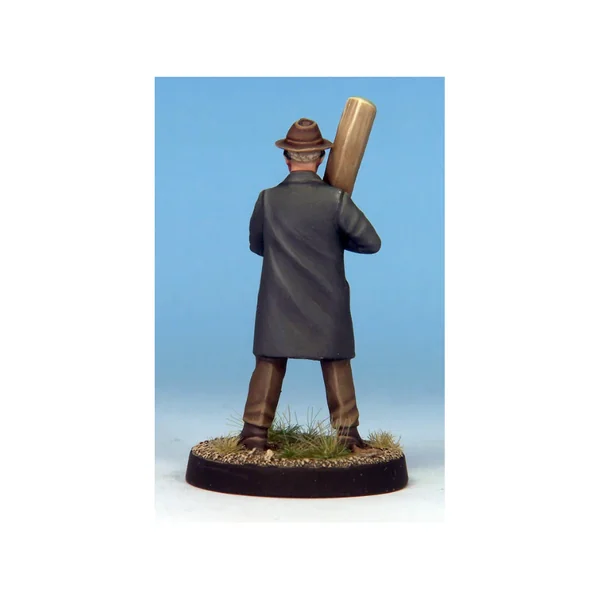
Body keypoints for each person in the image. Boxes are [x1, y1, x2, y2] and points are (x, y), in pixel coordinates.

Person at [239, 118, 381, 454]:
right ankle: (348, 436)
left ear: (286, 157)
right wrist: (336, 238)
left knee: (270, 362)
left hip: (279, 300)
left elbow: (258, 245)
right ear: (320, 158)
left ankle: (254, 434)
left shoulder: (267, 199)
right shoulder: (336, 200)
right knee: (336, 362)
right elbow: (371, 242)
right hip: (326, 300)